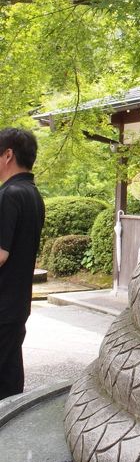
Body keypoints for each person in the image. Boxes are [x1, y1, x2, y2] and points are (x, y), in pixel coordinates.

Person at [0, 128, 45, 400]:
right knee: (9, 374)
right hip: (16, 303)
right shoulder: (32, 194)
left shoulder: (8, 195)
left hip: (2, 302)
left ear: (8, 155)